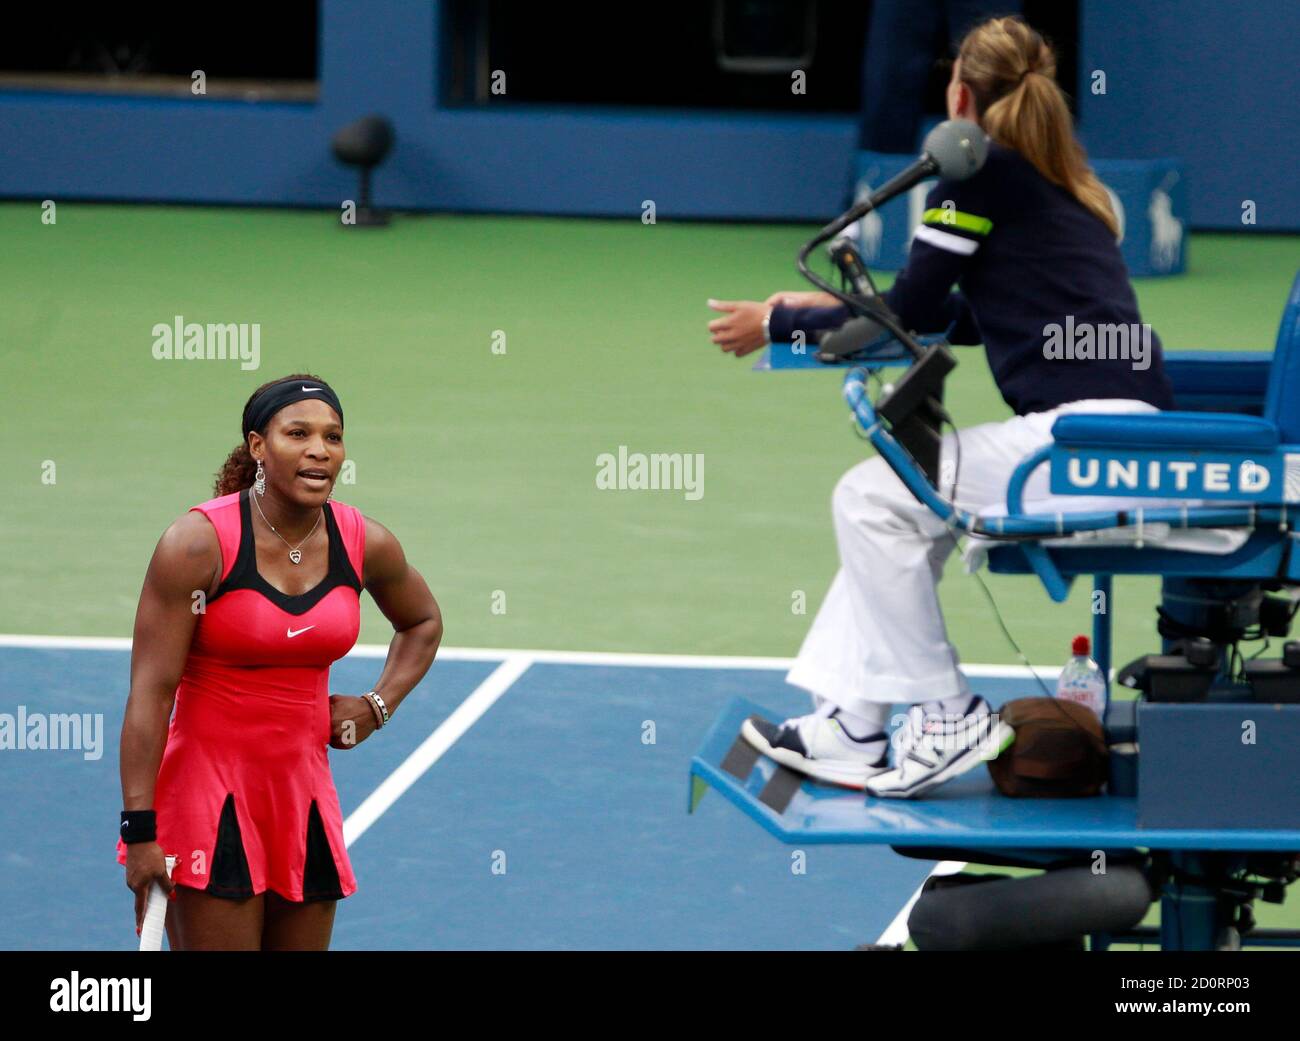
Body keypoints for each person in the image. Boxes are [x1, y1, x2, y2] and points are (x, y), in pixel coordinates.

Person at [706, 16, 1175, 799]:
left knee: (871, 499)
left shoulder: (978, 177)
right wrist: (813, 307)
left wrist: (779, 321)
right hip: (1115, 433)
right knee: (904, 506)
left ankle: (947, 712)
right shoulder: (1055, 186)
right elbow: (962, 314)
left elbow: (912, 311)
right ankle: (854, 725)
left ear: (959, 95)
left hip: (1088, 442)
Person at [117, 373, 442, 949]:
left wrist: (377, 704)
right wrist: (141, 831)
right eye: (298, 433)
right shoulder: (196, 545)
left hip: (303, 800)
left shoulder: (363, 542)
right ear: (258, 446)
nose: (320, 450)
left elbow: (421, 623)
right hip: (207, 801)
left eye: (333, 437)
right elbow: (150, 692)